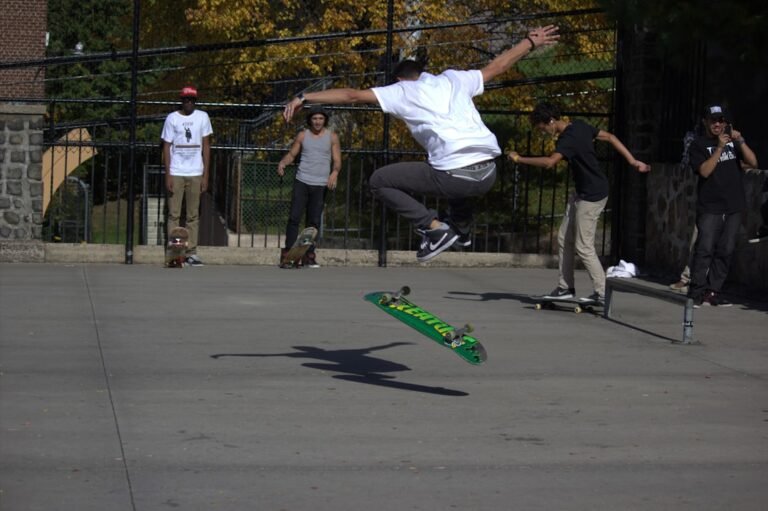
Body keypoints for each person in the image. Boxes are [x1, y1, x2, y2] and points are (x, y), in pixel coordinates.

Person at [283, 25, 560, 262]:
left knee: (380, 181)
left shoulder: (402, 90)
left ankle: (435, 228)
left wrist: (306, 98)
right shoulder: (454, 79)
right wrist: (530, 42)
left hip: (454, 176)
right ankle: (460, 232)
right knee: (453, 173)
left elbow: (352, 95)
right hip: (488, 173)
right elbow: (496, 67)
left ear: (399, 79)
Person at [508, 102, 651, 303]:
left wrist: (520, 159)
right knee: (564, 238)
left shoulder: (567, 139)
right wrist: (632, 160)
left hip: (593, 194)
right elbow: (610, 137)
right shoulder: (580, 125)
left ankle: (602, 293)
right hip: (582, 192)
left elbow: (550, 163)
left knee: (583, 246)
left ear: (550, 121)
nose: (543, 133)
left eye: (542, 128)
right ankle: (565, 287)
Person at [687, 104, 757, 307]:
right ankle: (696, 292)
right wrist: (718, 147)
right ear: (705, 122)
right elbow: (705, 171)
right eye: (713, 120)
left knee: (726, 249)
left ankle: (713, 291)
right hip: (710, 205)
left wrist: (740, 141)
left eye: (721, 121)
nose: (717, 124)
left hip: (734, 204)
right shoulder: (698, 145)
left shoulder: (733, 144)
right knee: (705, 248)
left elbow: (753, 162)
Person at [277, 107, 342, 268]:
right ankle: (288, 254)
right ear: (310, 120)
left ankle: (308, 255)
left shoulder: (332, 137)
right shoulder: (303, 135)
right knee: (294, 218)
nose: (317, 121)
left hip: (320, 184)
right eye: (314, 118)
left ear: (325, 120)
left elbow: (337, 159)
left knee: (313, 223)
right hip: (302, 180)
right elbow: (292, 154)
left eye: (320, 118)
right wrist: (283, 163)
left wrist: (334, 173)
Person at [161, 85, 213, 266]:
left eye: (192, 100)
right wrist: (168, 174)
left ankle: (191, 252)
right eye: (186, 99)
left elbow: (206, 146)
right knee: (174, 214)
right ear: (181, 101)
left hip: (195, 171)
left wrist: (206, 175)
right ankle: (175, 251)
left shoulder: (203, 117)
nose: (189, 102)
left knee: (193, 215)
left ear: (195, 101)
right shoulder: (172, 118)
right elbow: (166, 147)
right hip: (176, 171)